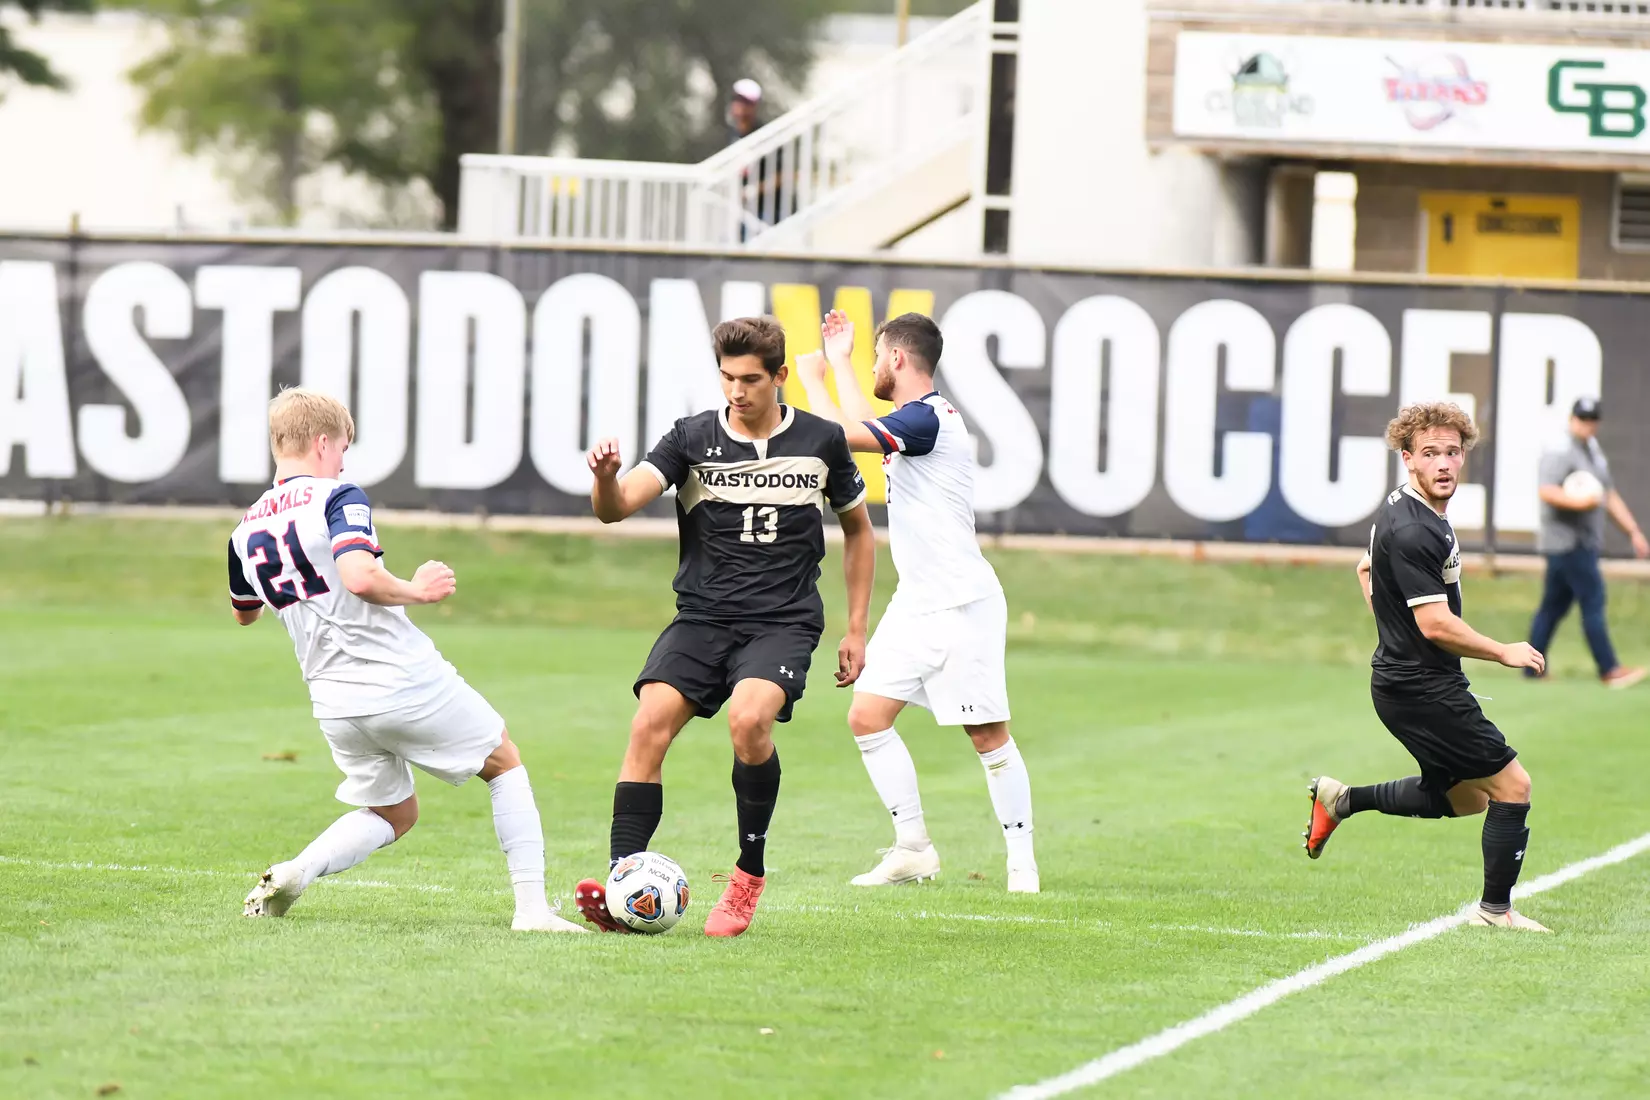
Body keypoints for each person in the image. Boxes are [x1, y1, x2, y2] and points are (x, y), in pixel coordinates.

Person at [234, 389, 584, 932]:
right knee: (504, 761)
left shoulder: (244, 530)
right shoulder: (337, 494)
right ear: (324, 442)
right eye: (343, 446)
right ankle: (533, 911)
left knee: (397, 813)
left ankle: (297, 871)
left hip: (333, 702)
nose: (344, 460)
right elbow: (360, 577)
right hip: (399, 678)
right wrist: (418, 589)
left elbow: (244, 613)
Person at [573, 316, 876, 937]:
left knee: (749, 720)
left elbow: (859, 531)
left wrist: (857, 629)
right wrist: (604, 479)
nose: (737, 391)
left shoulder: (822, 441)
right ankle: (623, 884)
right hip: (703, 618)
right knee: (648, 725)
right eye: (728, 378)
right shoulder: (691, 438)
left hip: (783, 622)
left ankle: (747, 876)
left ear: (780, 377)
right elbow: (616, 510)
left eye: (751, 380)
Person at [795, 309, 1038, 894]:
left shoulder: (929, 422)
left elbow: (839, 435)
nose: (876, 366)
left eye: (878, 357)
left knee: (987, 735)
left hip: (962, 602)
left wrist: (811, 382)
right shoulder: (916, 419)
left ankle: (1022, 864)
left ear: (898, 359)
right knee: (866, 716)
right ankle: (914, 849)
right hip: (918, 602)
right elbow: (863, 421)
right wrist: (841, 360)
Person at [1304, 402, 1549, 931]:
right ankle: (1495, 911)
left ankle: (1342, 800)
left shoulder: (1404, 508)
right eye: (1430, 453)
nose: (1443, 463)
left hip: (1407, 682)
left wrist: (1388, 610)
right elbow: (1436, 625)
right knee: (1513, 786)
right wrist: (1502, 650)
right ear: (1408, 458)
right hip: (1421, 688)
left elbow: (1366, 567)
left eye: (1453, 453)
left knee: (1463, 799)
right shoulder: (1416, 528)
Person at [1527, 396, 1647, 689]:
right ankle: (1609, 669)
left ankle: (1530, 669)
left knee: (1553, 608)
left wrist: (1632, 530)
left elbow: (1607, 494)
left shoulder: (1592, 450)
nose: (1586, 425)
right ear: (1572, 419)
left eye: (1591, 420)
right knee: (1593, 600)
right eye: (1582, 419)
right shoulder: (1560, 449)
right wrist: (1579, 503)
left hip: (1581, 542)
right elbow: (1547, 491)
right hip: (1567, 541)